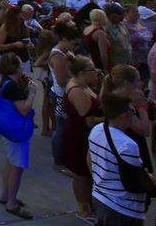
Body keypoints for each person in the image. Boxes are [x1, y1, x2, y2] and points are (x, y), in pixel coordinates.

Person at [0, 52, 37, 220]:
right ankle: (11, 202)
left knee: (11, 161)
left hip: (8, 129)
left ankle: (5, 195)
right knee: (17, 166)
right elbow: (24, 109)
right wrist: (33, 92)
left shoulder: (7, 83)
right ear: (15, 67)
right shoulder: (12, 87)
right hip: (16, 131)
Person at [62, 56, 102, 220]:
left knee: (86, 173)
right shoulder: (77, 89)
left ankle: (89, 204)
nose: (96, 72)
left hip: (84, 134)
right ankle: (83, 207)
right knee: (82, 173)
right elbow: (87, 119)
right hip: (79, 135)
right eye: (92, 70)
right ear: (81, 72)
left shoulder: (84, 85)